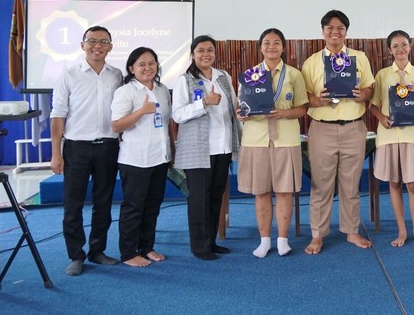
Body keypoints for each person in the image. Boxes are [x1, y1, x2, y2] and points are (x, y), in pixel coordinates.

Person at [50, 26, 123, 276]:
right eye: (92, 41)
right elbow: (58, 115)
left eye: (103, 41)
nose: (97, 45)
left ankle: (97, 251)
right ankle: (76, 255)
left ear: (110, 47)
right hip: (77, 148)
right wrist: (56, 153)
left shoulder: (117, 75)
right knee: (73, 204)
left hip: (108, 147)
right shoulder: (69, 75)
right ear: (82, 45)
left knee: (103, 202)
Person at [300, 10, 375, 255]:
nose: (335, 32)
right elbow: (304, 96)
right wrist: (317, 99)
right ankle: (317, 235)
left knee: (351, 185)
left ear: (346, 32)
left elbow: (370, 88)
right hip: (322, 128)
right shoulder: (311, 62)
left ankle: (351, 231)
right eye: (330, 28)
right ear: (323, 31)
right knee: (321, 185)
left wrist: (363, 95)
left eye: (340, 28)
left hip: (353, 127)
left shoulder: (359, 58)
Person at [237, 28, 308, 258]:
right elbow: (242, 108)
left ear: (283, 47)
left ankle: (283, 240)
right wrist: (242, 114)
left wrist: (284, 113)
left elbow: (302, 108)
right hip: (256, 140)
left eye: (276, 42)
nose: (271, 47)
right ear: (260, 47)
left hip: (285, 139)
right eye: (267, 43)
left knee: (285, 191)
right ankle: (264, 240)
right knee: (261, 192)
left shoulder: (294, 75)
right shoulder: (249, 75)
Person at [172, 35, 241, 260]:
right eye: (200, 50)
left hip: (222, 147)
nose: (206, 54)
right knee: (198, 200)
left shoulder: (223, 76)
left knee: (214, 197)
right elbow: (178, 114)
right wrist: (203, 103)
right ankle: (200, 247)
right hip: (198, 149)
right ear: (192, 54)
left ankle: (211, 241)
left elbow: (233, 108)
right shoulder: (184, 80)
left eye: (210, 50)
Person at [368, 30, 414, 247]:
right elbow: (373, 106)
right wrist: (382, 118)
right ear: (389, 50)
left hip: (412, 135)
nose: (400, 49)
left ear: (410, 46)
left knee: (413, 185)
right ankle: (402, 231)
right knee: (394, 183)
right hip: (389, 135)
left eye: (404, 44)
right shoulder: (382, 75)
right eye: (395, 46)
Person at [110, 47, 172, 267]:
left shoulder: (162, 89)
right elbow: (116, 125)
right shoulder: (126, 92)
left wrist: (171, 152)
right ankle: (128, 253)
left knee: (153, 205)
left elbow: (166, 123)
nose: (148, 68)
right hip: (135, 159)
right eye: (142, 64)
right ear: (131, 68)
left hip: (160, 157)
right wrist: (141, 111)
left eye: (151, 63)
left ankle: (146, 247)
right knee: (133, 207)